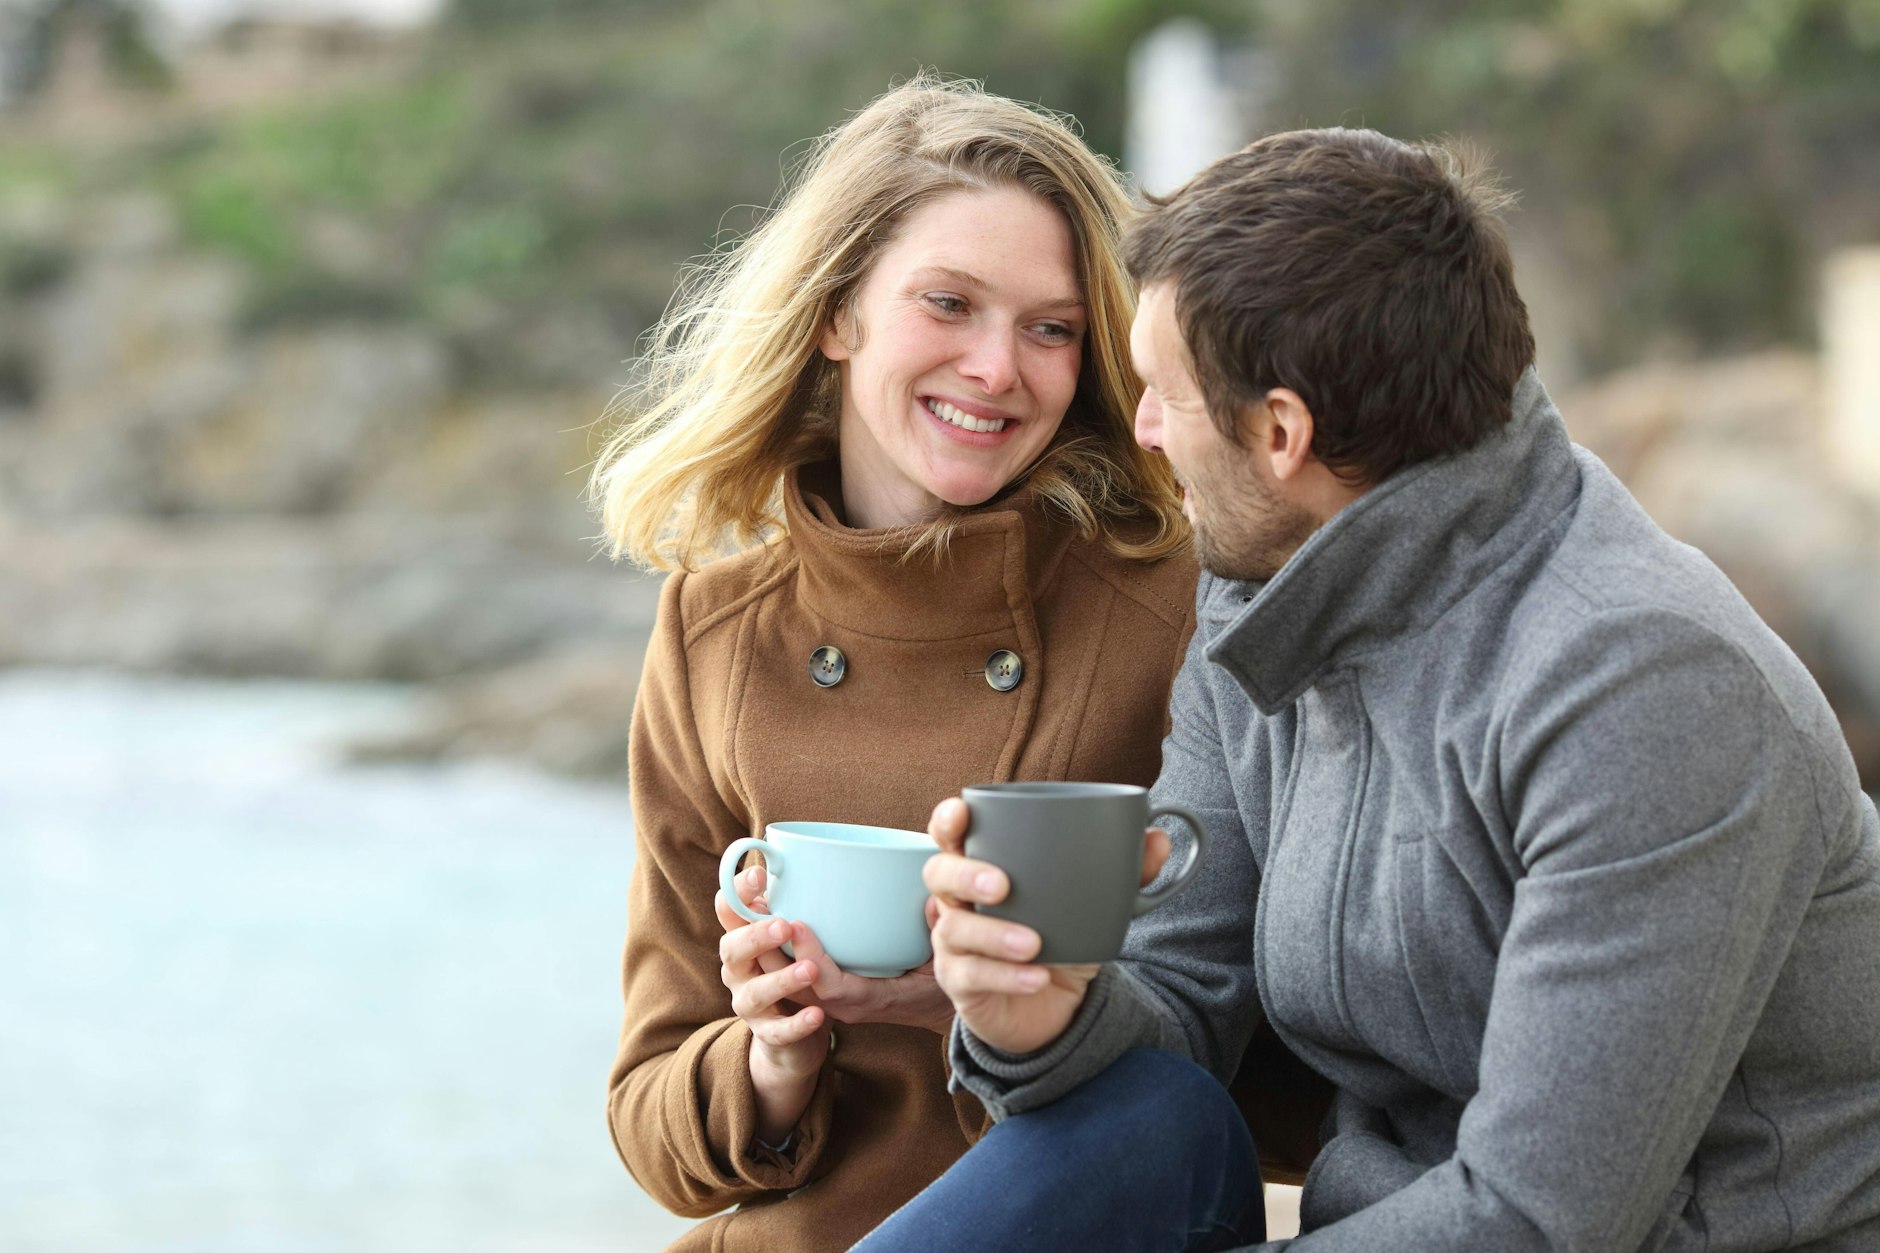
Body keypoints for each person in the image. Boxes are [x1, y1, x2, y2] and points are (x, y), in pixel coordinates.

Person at [862, 128, 1880, 1251]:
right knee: (1151, 1113)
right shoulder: (1261, 604)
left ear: (1281, 433)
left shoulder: (1645, 689)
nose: (1140, 432)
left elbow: (1539, 1220)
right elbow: (1177, 1014)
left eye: (1163, 396)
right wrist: (1041, 1015)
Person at [590, 76, 1203, 1252]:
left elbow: (1266, 1081)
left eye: (1050, 326)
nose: (995, 367)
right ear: (836, 312)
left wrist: (997, 1015)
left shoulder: (1169, 615)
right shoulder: (713, 630)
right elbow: (648, 1116)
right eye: (948, 303)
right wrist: (772, 1052)